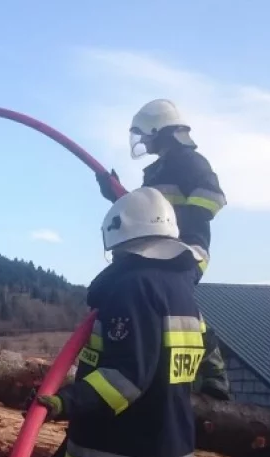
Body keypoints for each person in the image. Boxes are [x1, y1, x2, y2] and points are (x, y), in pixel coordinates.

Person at [37, 187, 224, 457]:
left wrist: (66, 402)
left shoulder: (133, 288)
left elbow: (126, 378)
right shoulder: (179, 289)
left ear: (119, 238)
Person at [96, 99, 230, 401]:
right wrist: (116, 195)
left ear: (160, 131)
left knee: (177, 302)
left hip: (188, 248)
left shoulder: (191, 162)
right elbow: (147, 212)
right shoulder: (156, 171)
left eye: (146, 134)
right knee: (156, 299)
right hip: (159, 247)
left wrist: (183, 220)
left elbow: (213, 198)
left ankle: (214, 374)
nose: (143, 141)